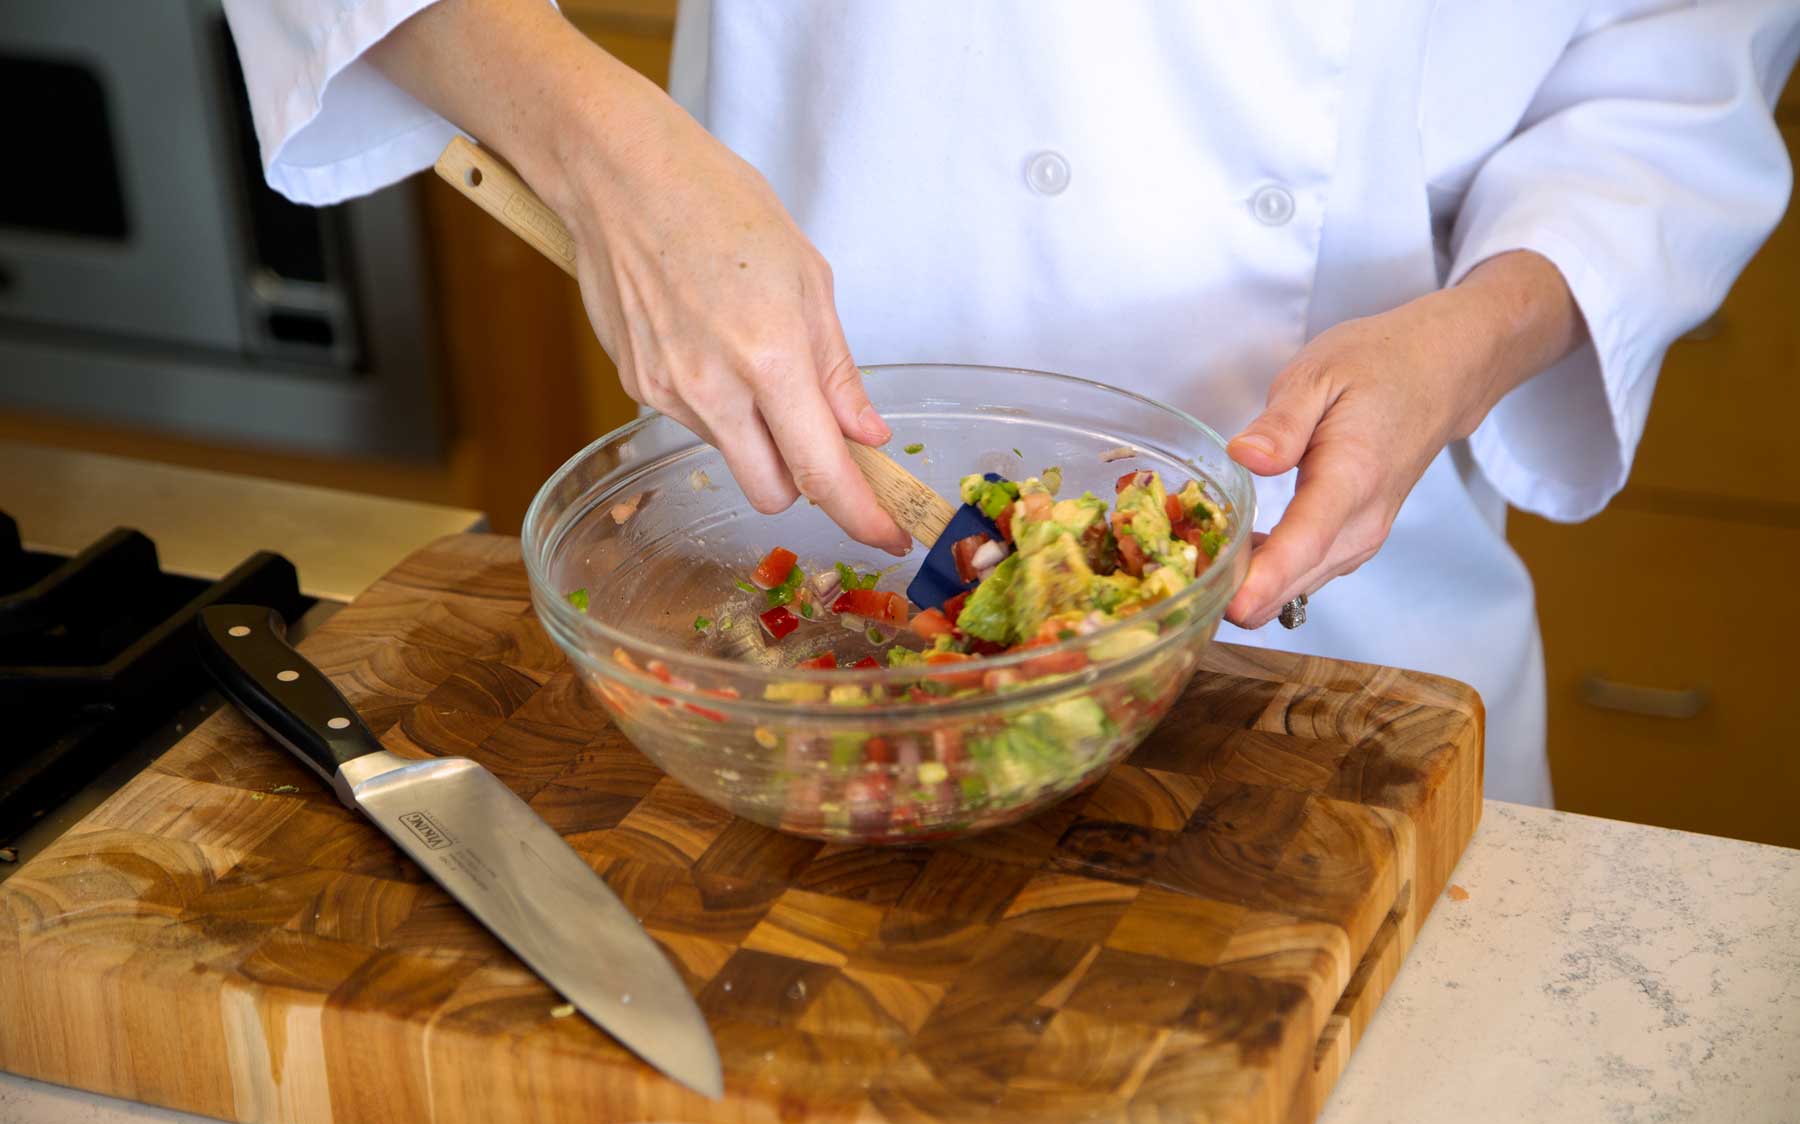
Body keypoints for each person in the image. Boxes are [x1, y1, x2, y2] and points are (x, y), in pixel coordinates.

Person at [222, 0, 1800, 806]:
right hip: (784, 629)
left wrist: (1471, 337)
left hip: (1359, 636)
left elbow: (1675, 62)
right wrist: (598, 147)